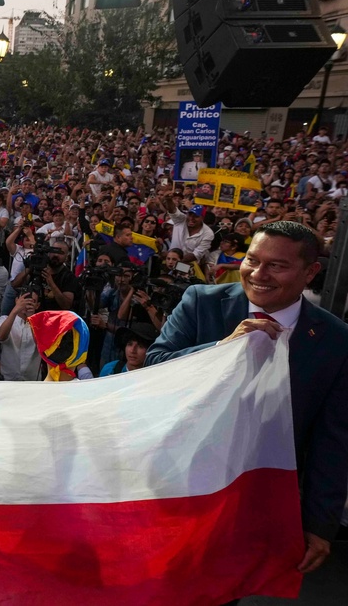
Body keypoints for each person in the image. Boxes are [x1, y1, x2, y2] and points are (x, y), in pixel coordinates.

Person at [146, 221, 348, 577]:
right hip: (175, 485)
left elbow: (331, 440)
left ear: (311, 272)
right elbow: (153, 368)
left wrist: (319, 524)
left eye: (277, 265)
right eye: (252, 260)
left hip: (255, 503)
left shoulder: (334, 339)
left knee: (223, 589)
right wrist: (222, 349)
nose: (258, 274)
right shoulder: (200, 302)